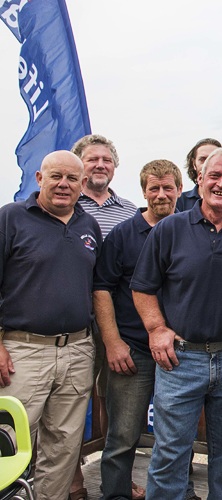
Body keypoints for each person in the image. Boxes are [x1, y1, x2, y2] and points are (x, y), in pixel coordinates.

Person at [131, 148, 222, 499]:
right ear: (200, 180)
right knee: (171, 453)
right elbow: (143, 287)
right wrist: (156, 329)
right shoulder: (170, 228)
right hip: (180, 359)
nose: (221, 184)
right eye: (214, 176)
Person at [0, 151, 101, 500]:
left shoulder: (89, 226)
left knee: (63, 448)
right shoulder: (10, 218)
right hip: (21, 351)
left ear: (83, 184)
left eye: (73, 179)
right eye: (56, 176)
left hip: (76, 350)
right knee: (8, 443)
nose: (64, 184)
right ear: (40, 178)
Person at [95, 160, 183, 500]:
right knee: (123, 434)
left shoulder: (189, 230)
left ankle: (180, 491)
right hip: (132, 349)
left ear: (178, 189)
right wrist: (113, 343)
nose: (161, 195)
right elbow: (101, 289)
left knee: (175, 434)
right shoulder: (123, 235)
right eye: (153, 188)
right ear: (143, 191)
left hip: (179, 351)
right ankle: (115, 493)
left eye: (168, 187)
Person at [70, 134, 140, 500]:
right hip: (76, 320)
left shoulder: (128, 210)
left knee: (117, 405)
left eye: (106, 160)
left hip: (118, 321)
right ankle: (73, 480)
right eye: (92, 159)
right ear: (79, 163)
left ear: (114, 167)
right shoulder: (66, 204)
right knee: (73, 401)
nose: (99, 165)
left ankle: (119, 480)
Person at [177, 137, 222, 214]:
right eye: (203, 159)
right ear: (194, 164)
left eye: (213, 158)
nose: (208, 163)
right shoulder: (179, 200)